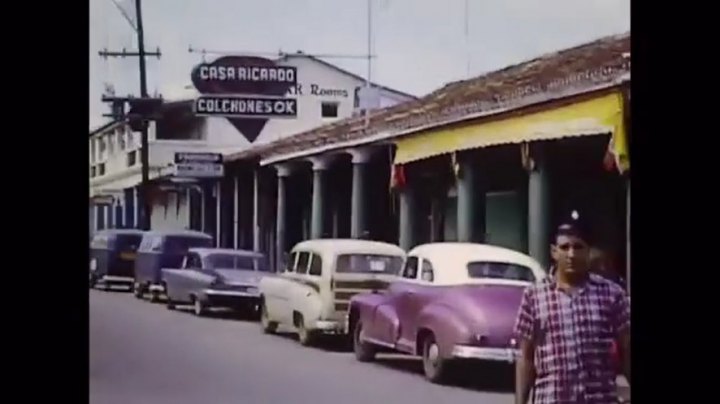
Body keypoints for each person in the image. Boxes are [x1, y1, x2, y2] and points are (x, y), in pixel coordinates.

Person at [513, 222, 630, 404]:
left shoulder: (612, 294)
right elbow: (526, 358)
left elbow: (626, 349)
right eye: (565, 247)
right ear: (554, 252)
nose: (571, 254)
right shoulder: (534, 296)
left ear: (588, 252)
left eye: (578, 247)